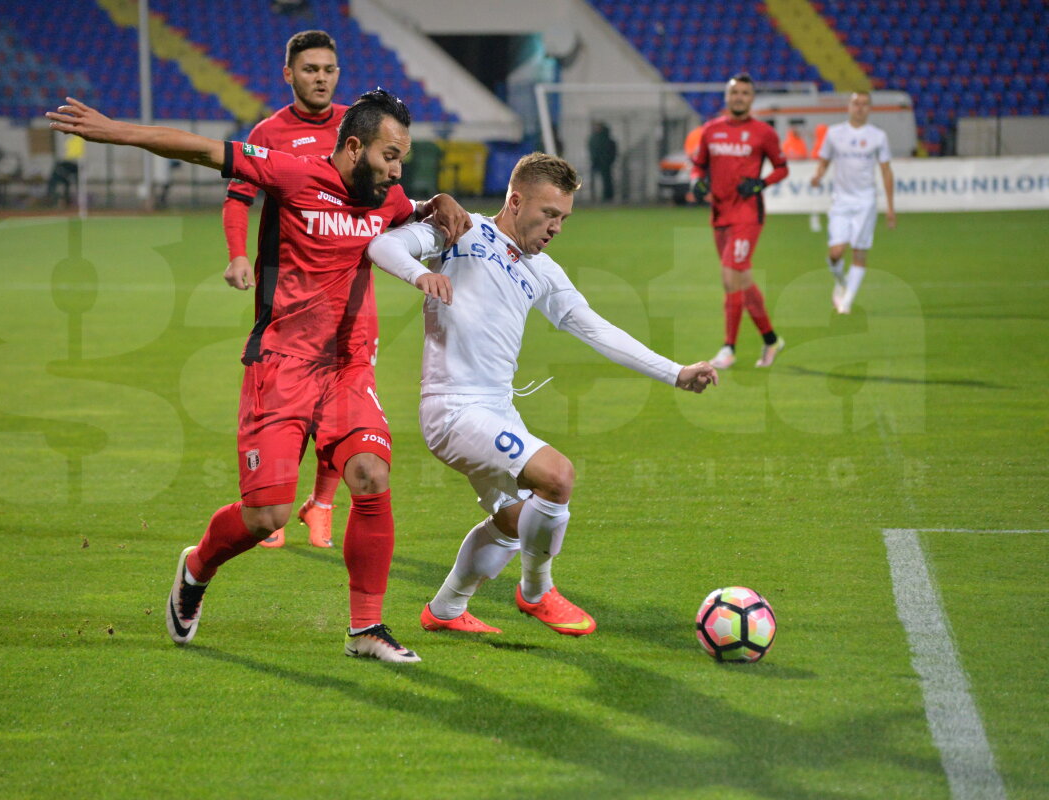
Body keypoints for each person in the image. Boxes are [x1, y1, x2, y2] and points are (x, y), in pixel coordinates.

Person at [46, 90, 471, 663]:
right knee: (266, 516)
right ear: (354, 147)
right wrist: (114, 129)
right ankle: (197, 567)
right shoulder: (294, 174)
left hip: (347, 368)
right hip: (281, 366)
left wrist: (437, 201)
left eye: (402, 159)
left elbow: (412, 209)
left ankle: (366, 628)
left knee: (371, 474)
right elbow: (201, 150)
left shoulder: (387, 197)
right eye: (390, 156)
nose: (398, 170)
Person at [367, 153, 718, 637]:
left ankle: (445, 610)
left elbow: (596, 329)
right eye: (549, 213)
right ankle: (536, 592)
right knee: (557, 476)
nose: (556, 227)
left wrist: (675, 373)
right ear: (516, 201)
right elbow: (383, 245)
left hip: (497, 409)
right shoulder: (462, 230)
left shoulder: (543, 270)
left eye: (564, 218)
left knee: (517, 521)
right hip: (453, 408)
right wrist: (420, 273)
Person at [223, 29, 348, 549]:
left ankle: (321, 504)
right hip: (287, 291)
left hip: (347, 288)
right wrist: (237, 254)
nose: (320, 78)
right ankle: (270, 500)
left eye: (328, 70)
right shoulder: (269, 132)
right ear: (289, 74)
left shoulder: (355, 126)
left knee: (340, 407)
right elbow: (238, 198)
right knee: (286, 399)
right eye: (310, 69)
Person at [690, 73, 789, 370]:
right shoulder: (711, 130)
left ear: (752, 98)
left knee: (730, 275)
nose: (739, 97)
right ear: (727, 96)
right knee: (742, 280)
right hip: (720, 214)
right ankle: (771, 340)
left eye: (745, 93)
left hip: (747, 215)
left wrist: (761, 183)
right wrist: (697, 182)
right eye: (735, 92)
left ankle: (728, 349)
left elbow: (782, 168)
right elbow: (698, 166)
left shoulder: (763, 132)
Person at [810, 92, 896, 314]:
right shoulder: (834, 133)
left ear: (870, 108)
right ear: (849, 106)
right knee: (835, 252)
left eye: (864, 104)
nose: (859, 108)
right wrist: (818, 175)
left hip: (866, 201)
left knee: (859, 251)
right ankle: (841, 282)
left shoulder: (878, 136)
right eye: (856, 103)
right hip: (841, 201)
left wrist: (890, 207)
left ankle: (846, 302)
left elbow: (886, 171)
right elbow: (824, 161)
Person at [587, 121, 617, 202]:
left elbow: (612, 151)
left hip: (605, 163)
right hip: (596, 162)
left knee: (607, 180)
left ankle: (608, 196)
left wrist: (608, 160)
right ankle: (594, 196)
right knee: (594, 180)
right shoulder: (594, 139)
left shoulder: (606, 139)